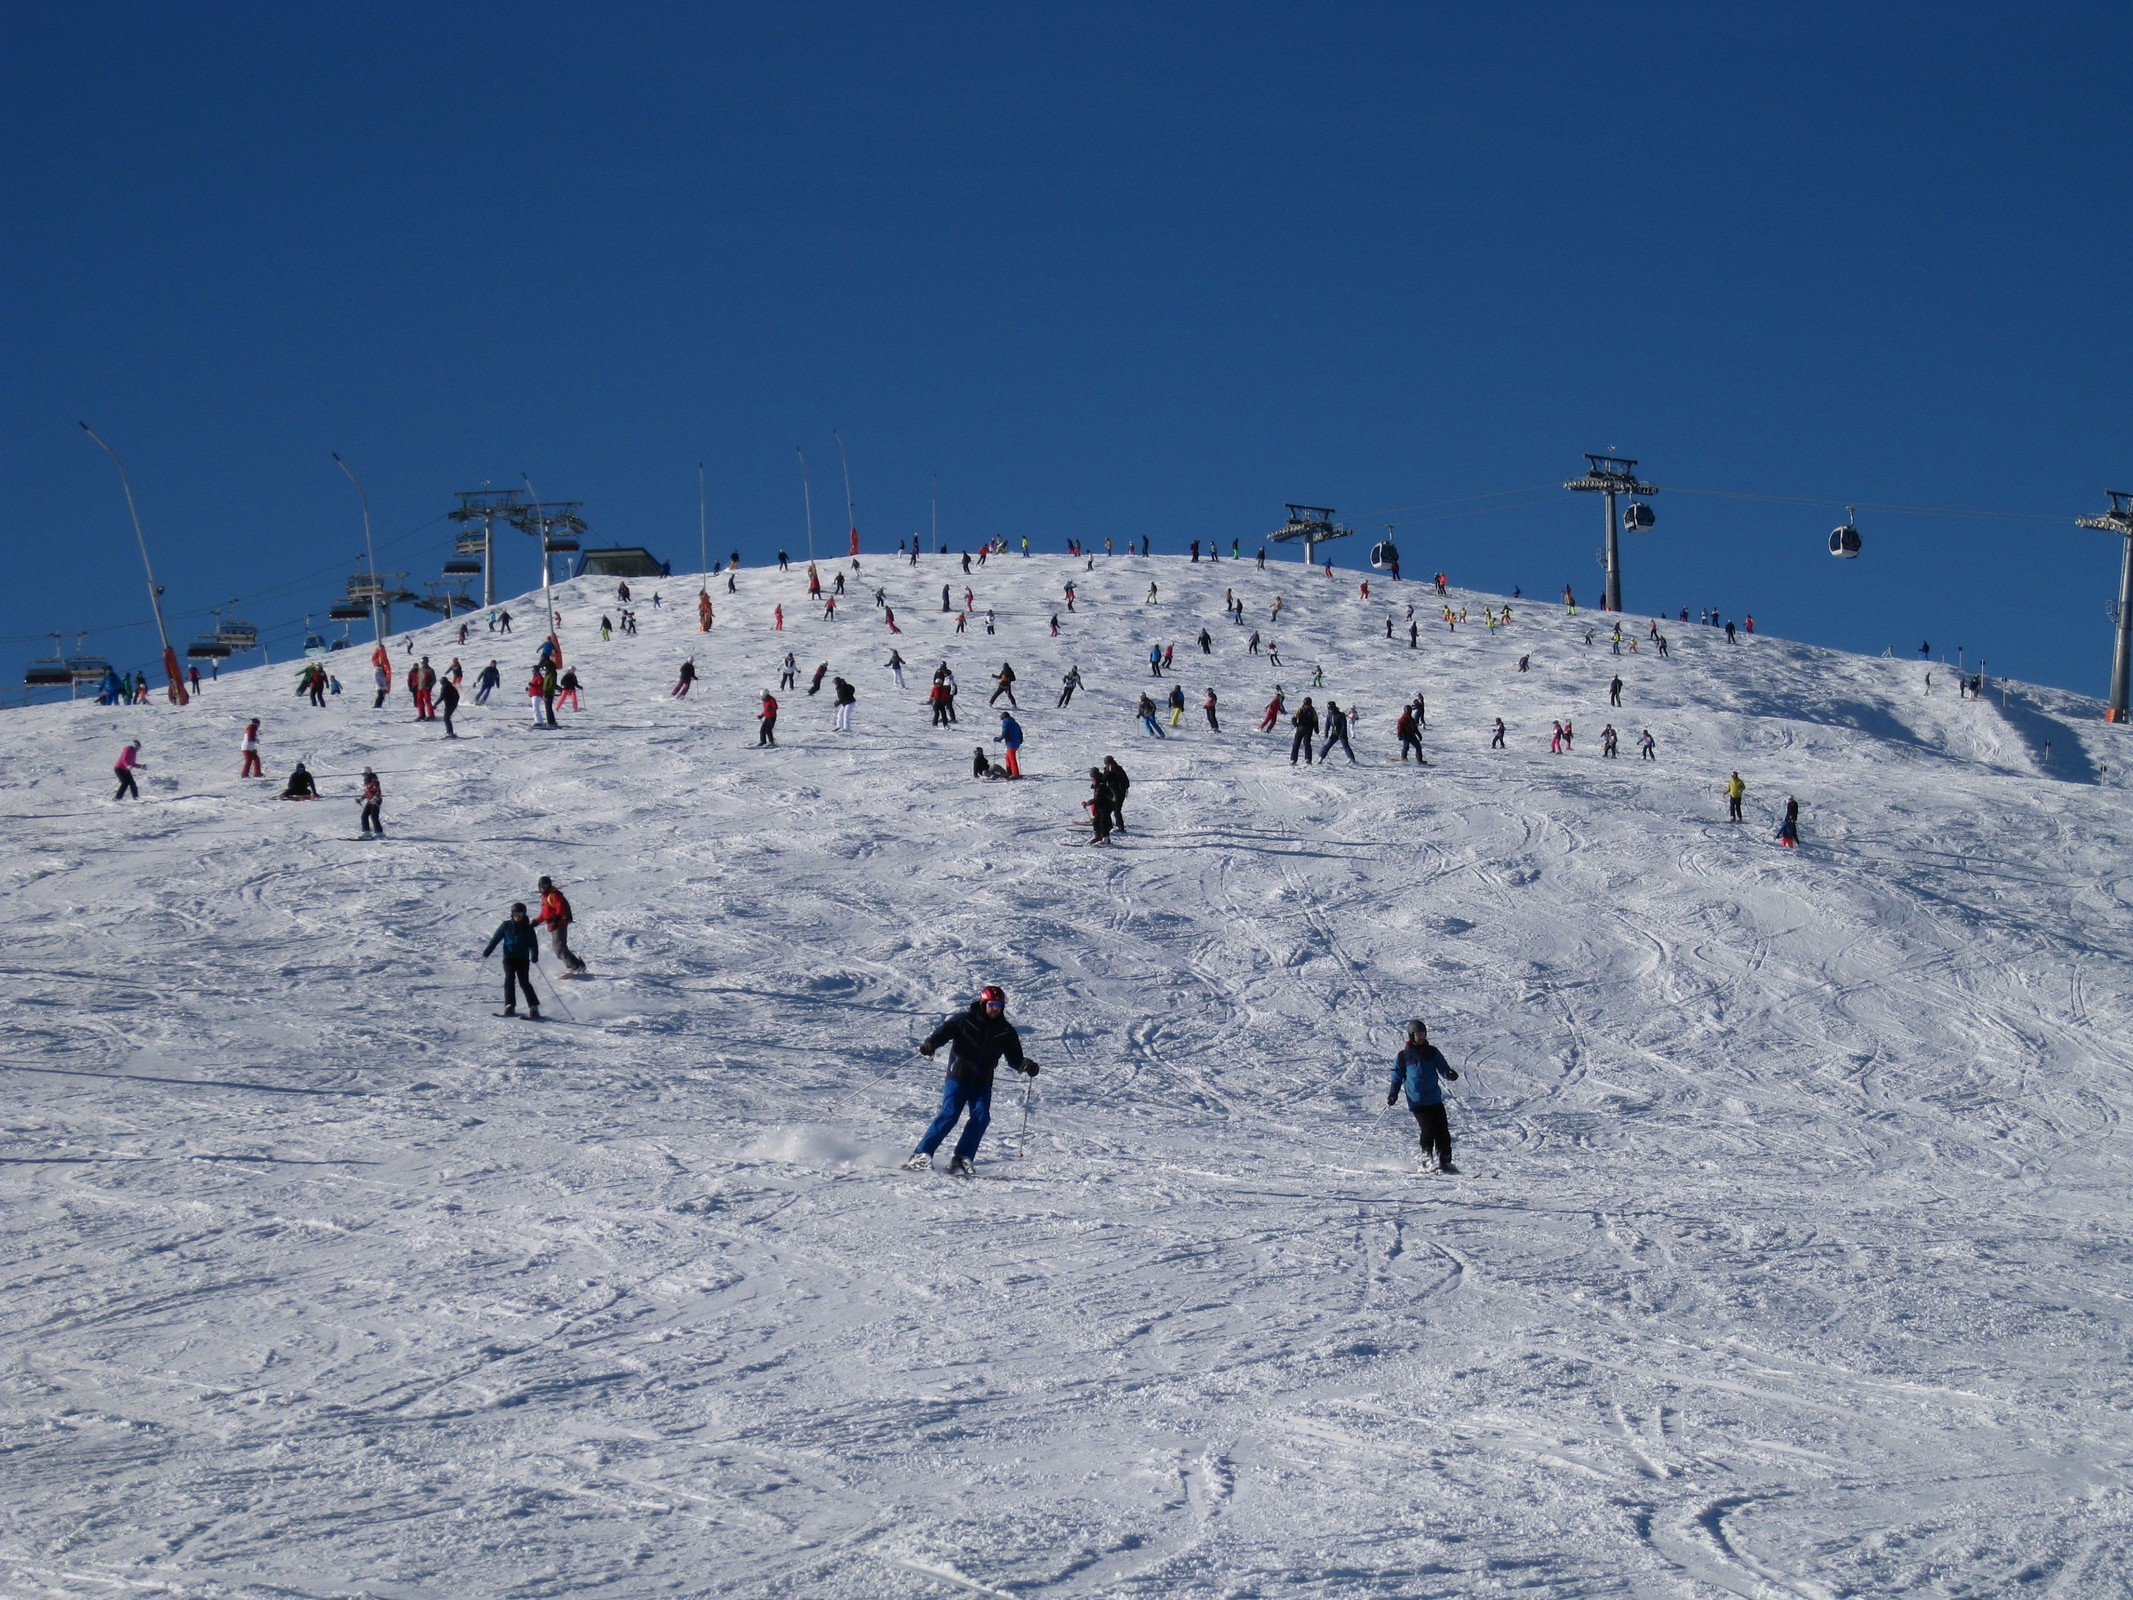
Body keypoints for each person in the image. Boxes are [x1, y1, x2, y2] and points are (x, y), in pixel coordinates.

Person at [904, 986, 1039, 1176]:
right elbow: (942, 1033)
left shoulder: (1005, 1031)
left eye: (999, 1005)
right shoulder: (964, 1021)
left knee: (982, 1117)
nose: (996, 1009)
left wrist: (1026, 1065)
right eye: (992, 1004)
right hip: (958, 1077)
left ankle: (961, 1158)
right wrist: (930, 1044)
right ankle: (921, 1154)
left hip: (982, 1083)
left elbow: (1015, 1059)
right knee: (950, 1114)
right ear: (984, 1003)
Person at [1387, 1019, 1459, 1173]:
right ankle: (1426, 1159)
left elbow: (1443, 1067)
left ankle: (1444, 1160)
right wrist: (1393, 1093)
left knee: (1442, 1130)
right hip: (1417, 1100)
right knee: (1428, 1129)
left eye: (1423, 1034)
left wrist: (1449, 1074)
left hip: (1434, 1098)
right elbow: (1396, 1077)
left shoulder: (1432, 1052)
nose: (1421, 1037)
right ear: (1411, 1035)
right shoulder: (1404, 1056)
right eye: (1418, 1034)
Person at [481, 902, 541, 1018]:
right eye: (516, 913)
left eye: (520, 913)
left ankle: (533, 1007)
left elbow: (533, 943)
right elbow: (496, 939)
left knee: (524, 982)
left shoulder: (528, 928)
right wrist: (488, 950)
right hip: (509, 958)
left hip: (523, 958)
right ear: (512, 913)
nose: (518, 915)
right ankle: (509, 1005)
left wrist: (534, 955)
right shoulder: (506, 926)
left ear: (524, 914)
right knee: (509, 979)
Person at [535, 875, 588, 973]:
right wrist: (534, 922)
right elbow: (544, 914)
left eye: (546, 886)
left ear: (549, 885)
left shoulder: (554, 895)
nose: (544, 888)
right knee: (559, 947)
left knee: (559, 947)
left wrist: (557, 919)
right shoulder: (546, 897)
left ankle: (575, 966)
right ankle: (577, 965)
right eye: (542, 886)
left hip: (559, 924)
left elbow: (560, 907)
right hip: (554, 924)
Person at [1101, 756, 1130, 832]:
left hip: (1119, 793)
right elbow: (1103, 780)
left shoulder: (1119, 770)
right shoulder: (1108, 770)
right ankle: (1111, 825)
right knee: (1109, 810)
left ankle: (1120, 827)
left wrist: (1121, 790)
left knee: (1116, 809)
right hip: (1112, 794)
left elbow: (1126, 782)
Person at [1085, 766, 1114, 842]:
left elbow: (1098, 798)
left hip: (1105, 807)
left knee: (1103, 822)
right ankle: (1098, 836)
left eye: (1093, 780)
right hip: (1101, 807)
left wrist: (1088, 803)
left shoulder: (1101, 786)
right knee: (1096, 821)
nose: (1092, 781)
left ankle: (1106, 838)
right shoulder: (1098, 783)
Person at [1289, 697, 1319, 765]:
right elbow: (1294, 718)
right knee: (1296, 744)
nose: (1307, 706)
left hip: (1308, 730)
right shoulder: (1300, 710)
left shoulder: (1312, 711)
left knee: (1307, 744)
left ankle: (1308, 759)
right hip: (1300, 729)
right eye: (1306, 705)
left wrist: (1316, 729)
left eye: (1308, 705)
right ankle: (1293, 759)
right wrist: (1295, 723)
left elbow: (1315, 720)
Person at [997, 710, 1023, 777]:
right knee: (1008, 757)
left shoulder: (1006, 722)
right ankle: (1010, 772)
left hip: (1011, 743)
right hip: (1016, 743)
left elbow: (1004, 733)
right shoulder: (1015, 723)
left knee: (1012, 758)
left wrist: (998, 739)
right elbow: (1021, 733)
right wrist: (1020, 741)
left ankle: (1015, 774)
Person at [358, 768, 384, 835]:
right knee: (364, 816)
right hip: (370, 800)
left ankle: (379, 833)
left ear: (369, 773)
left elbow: (378, 790)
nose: (364, 776)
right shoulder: (366, 781)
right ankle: (366, 833)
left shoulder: (374, 780)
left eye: (365, 774)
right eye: (363, 775)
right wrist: (361, 799)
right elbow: (367, 793)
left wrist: (375, 798)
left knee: (374, 816)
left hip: (376, 800)